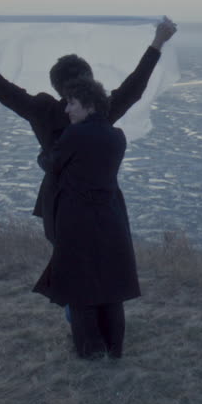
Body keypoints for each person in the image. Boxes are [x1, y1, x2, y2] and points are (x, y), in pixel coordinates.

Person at [0, 16, 176, 243]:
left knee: (70, 272)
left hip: (59, 205)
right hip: (101, 206)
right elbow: (135, 86)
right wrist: (157, 42)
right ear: (89, 81)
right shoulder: (102, 111)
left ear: (55, 85)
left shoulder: (43, 110)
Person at [32, 77, 139, 358]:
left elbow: (52, 164)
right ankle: (114, 350)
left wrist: (42, 155)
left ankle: (89, 351)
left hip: (77, 221)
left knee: (80, 290)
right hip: (111, 219)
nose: (67, 110)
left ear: (89, 105)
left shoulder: (75, 135)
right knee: (110, 289)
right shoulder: (117, 137)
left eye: (72, 103)